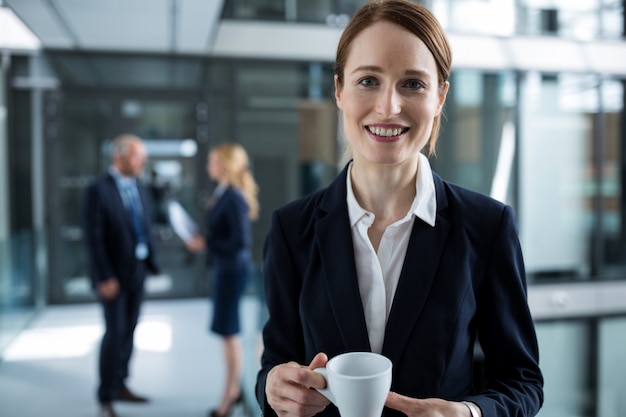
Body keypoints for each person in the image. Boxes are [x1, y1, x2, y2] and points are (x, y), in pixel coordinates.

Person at [255, 1, 544, 417]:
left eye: (412, 84)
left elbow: (522, 382)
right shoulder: (291, 229)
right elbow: (275, 367)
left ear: (440, 95)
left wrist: (468, 414)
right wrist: (275, 388)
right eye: (368, 80)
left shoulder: (487, 226)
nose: (389, 107)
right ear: (339, 90)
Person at [82, 134, 160, 417]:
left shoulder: (138, 185)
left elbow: (144, 224)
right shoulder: (97, 190)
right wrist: (104, 276)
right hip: (112, 276)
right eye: (138, 156)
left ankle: (121, 384)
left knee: (129, 331)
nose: (143, 162)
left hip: (137, 270)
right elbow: (94, 237)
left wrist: (150, 260)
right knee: (114, 332)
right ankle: (106, 395)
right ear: (120, 157)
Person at [186, 143, 260, 417]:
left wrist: (206, 243)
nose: (209, 166)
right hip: (226, 268)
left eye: (213, 161)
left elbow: (240, 241)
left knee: (229, 335)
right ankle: (231, 391)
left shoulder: (233, 197)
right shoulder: (225, 194)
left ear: (225, 165)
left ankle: (229, 397)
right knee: (228, 334)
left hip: (231, 271)